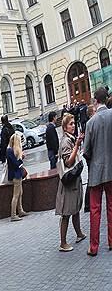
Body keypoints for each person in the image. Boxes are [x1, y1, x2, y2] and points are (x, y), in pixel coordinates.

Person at [82, 86, 112, 256]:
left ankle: (94, 247)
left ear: (95, 101)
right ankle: (111, 241)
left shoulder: (90, 123)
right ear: (106, 99)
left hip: (96, 172)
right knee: (111, 207)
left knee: (95, 209)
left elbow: (86, 151)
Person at [56, 113, 87, 252]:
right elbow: (68, 162)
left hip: (73, 180)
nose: (73, 126)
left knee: (75, 208)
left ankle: (79, 233)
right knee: (66, 212)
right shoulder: (65, 142)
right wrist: (77, 146)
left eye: (74, 123)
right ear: (64, 127)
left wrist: (77, 143)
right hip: (68, 183)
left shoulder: (70, 138)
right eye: (70, 124)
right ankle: (63, 243)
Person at [6, 131, 28, 221]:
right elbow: (16, 164)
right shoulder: (11, 151)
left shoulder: (10, 150)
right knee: (16, 195)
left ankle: (20, 210)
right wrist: (21, 158)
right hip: (16, 175)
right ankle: (13, 215)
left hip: (16, 175)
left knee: (20, 193)